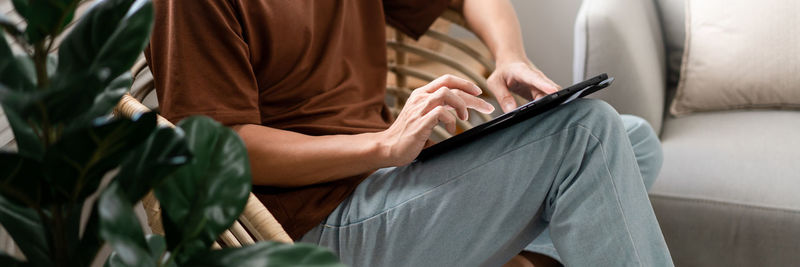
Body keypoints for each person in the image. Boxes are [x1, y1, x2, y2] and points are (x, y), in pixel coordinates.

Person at [146, 0, 673, 266]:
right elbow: (221, 146)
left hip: (384, 185)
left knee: (632, 141)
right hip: (303, 225)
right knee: (589, 138)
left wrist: (509, 54)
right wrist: (383, 145)